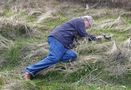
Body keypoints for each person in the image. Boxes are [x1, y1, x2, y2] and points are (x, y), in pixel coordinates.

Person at [24, 15, 97, 80]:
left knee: (72, 55)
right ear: (86, 20)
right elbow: (83, 34)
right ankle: (29, 71)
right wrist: (95, 38)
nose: (88, 27)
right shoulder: (79, 21)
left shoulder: (75, 26)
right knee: (54, 58)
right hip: (58, 39)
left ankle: (52, 60)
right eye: (89, 25)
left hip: (64, 44)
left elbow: (75, 40)